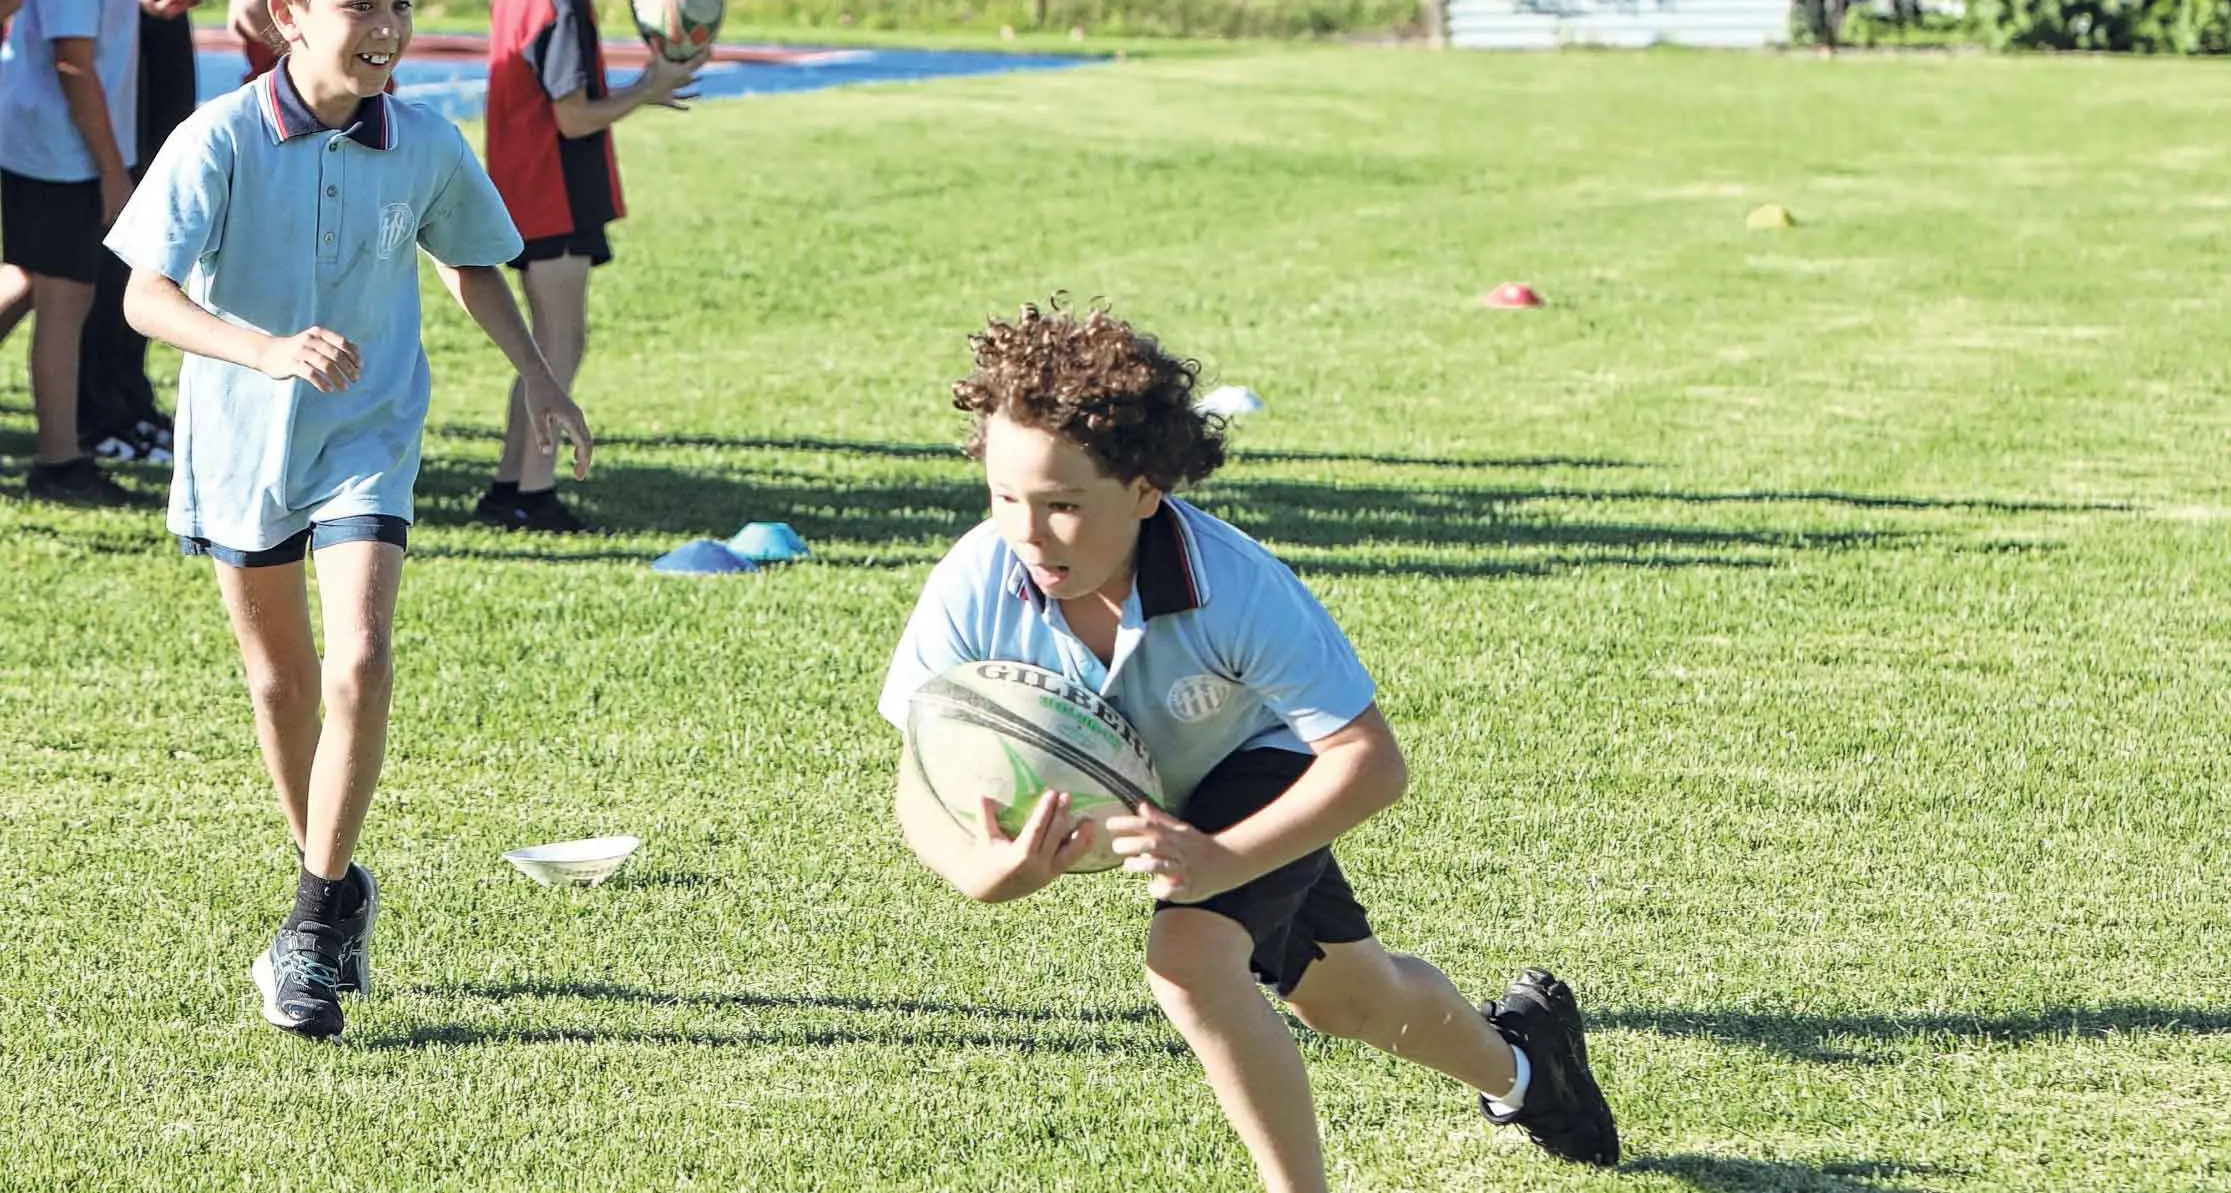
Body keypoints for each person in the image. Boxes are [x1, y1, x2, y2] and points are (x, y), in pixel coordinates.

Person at [878, 300, 1620, 1191]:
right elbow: (920, 769)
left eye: (1064, 505)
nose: (1028, 533)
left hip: (1259, 772)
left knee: (1188, 964)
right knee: (1347, 999)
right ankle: (1530, 1071)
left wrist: (1223, 855)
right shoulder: (976, 578)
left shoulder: (1233, 587)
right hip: (1168, 795)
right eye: (1004, 498)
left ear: (1146, 489)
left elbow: (1370, 761)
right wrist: (973, 866)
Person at [105, 0, 592, 1039]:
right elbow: (146, 297)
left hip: (366, 436)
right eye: (358, 5)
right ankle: (331, 882)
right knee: (279, 680)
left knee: (360, 659)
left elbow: (467, 261)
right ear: (288, 15)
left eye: (399, 6)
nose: (386, 26)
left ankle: (313, 923)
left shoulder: (421, 139)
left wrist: (542, 381)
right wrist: (266, 349)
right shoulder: (221, 136)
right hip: (242, 443)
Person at [472, 0, 704, 532]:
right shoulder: (563, 7)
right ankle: (534, 491)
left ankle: (510, 487)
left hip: (530, 188)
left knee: (545, 345)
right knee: (560, 343)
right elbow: (572, 117)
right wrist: (649, 85)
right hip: (552, 192)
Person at [0, 0, 140, 504]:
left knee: (33, 277)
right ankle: (59, 465)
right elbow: (72, 62)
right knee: (66, 298)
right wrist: (110, 169)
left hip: (56, 142)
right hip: (60, 149)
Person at [76, 0, 199, 464]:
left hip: (152, 28)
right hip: (108, 27)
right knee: (111, 222)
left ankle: (127, 398)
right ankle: (97, 410)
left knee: (154, 203)